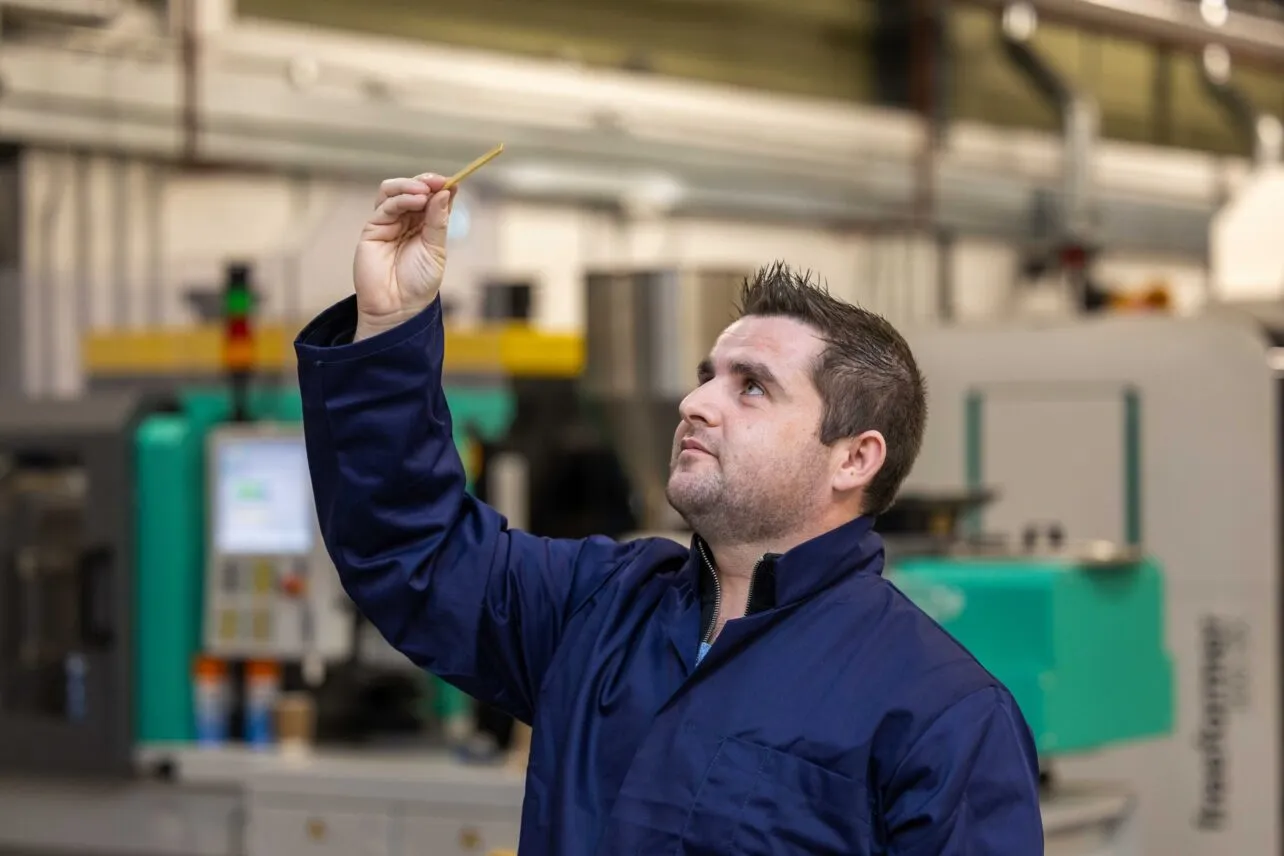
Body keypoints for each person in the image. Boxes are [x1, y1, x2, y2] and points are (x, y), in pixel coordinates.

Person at [294, 171, 1044, 855]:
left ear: (854, 457)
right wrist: (390, 326)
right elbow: (413, 547)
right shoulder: (597, 610)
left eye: (750, 387)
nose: (695, 403)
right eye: (705, 376)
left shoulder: (940, 716)